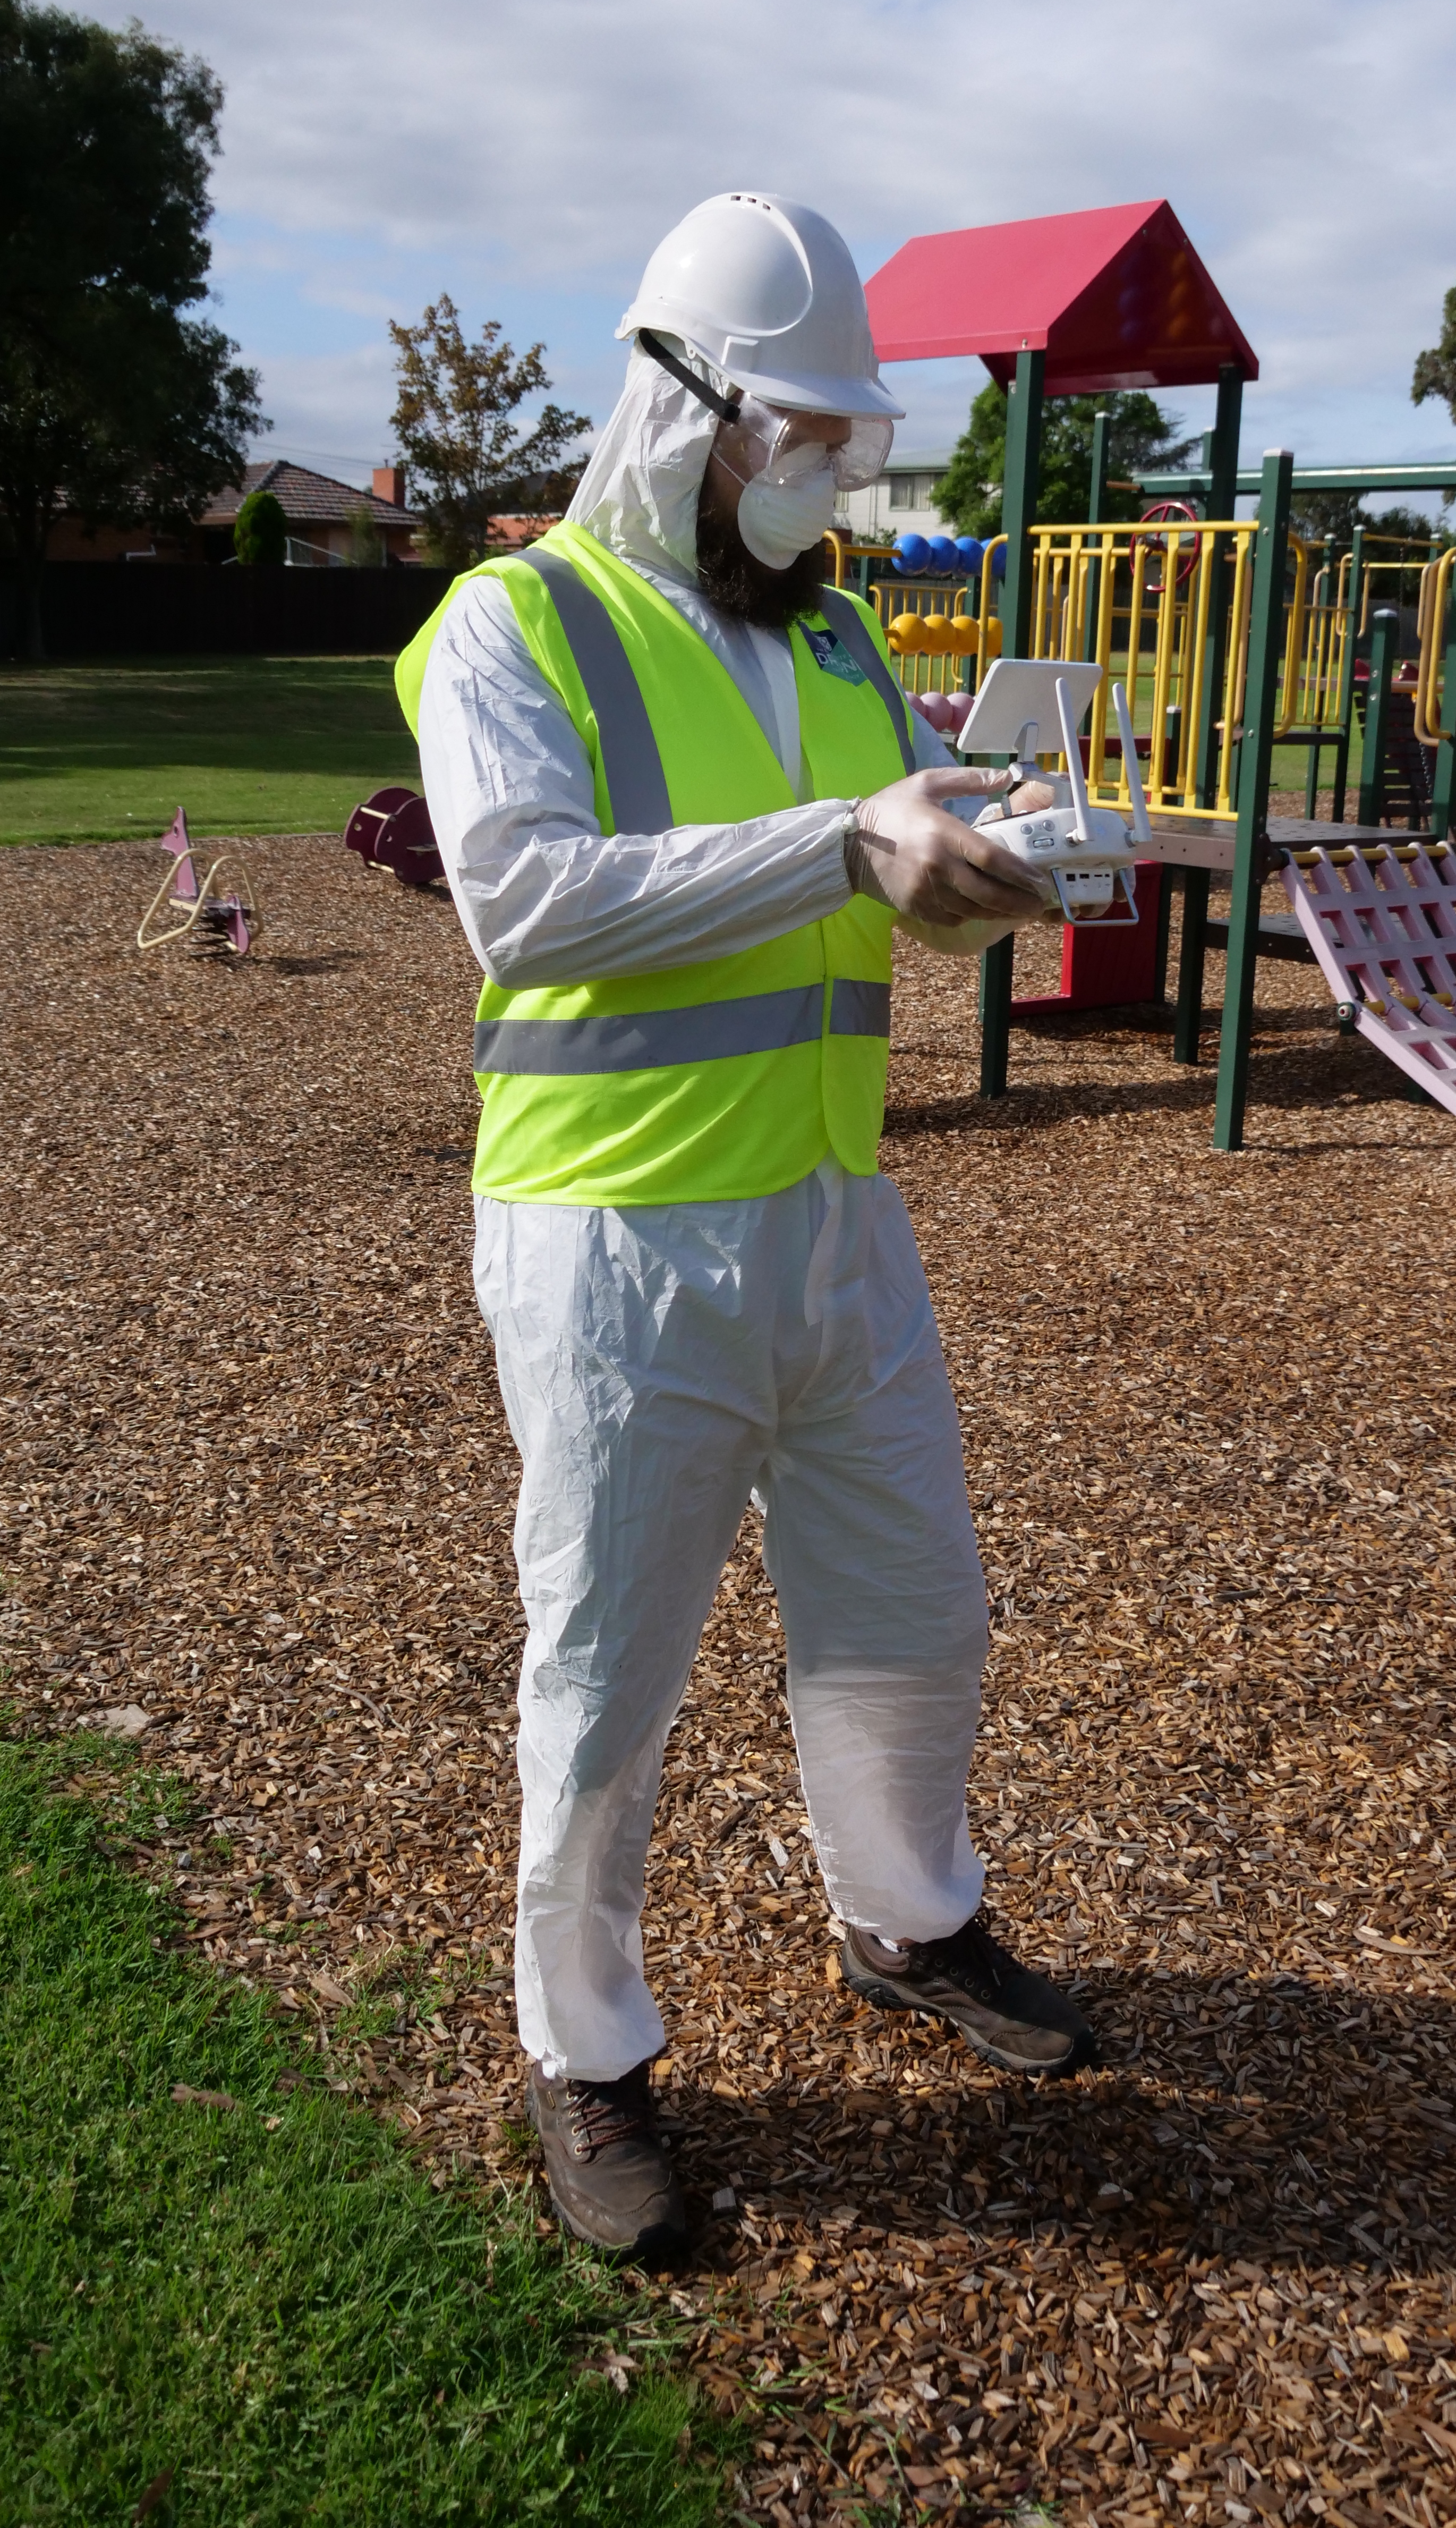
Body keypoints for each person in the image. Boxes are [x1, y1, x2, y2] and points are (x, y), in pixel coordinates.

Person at [402, 191, 1096, 2264]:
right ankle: (585, 2047)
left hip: (830, 1210)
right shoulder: (511, 629)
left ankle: (912, 1919)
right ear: (676, 403)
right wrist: (849, 840)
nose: (831, 472)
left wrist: (990, 863)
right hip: (615, 1237)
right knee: (607, 1674)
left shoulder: (841, 634)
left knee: (914, 1612)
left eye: (848, 439)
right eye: (804, 428)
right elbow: (524, 900)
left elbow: (900, 857)